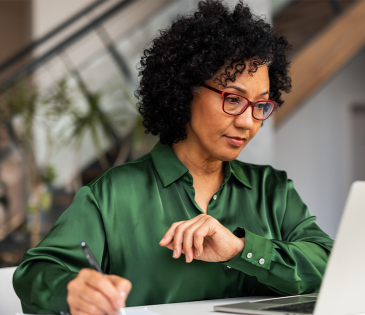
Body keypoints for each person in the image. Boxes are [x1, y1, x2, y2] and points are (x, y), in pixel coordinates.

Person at [13, 1, 334, 314]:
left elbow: (330, 263)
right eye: (234, 99)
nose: (248, 121)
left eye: (261, 105)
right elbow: (36, 274)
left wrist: (241, 249)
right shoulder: (113, 194)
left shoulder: (272, 190)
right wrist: (71, 291)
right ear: (185, 90)